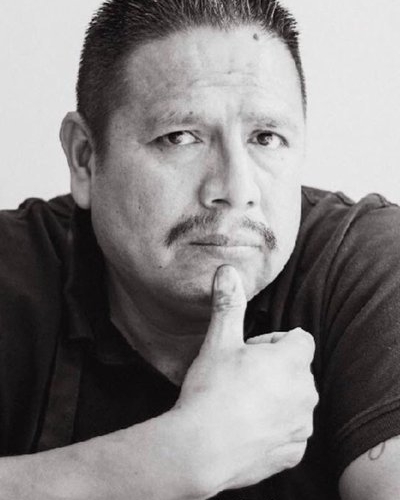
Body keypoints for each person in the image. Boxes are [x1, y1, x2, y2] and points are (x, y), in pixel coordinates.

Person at [1, 0, 400, 498]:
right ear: (85, 158)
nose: (236, 188)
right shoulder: (13, 270)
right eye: (180, 137)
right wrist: (176, 457)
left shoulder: (368, 268)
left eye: (266, 137)